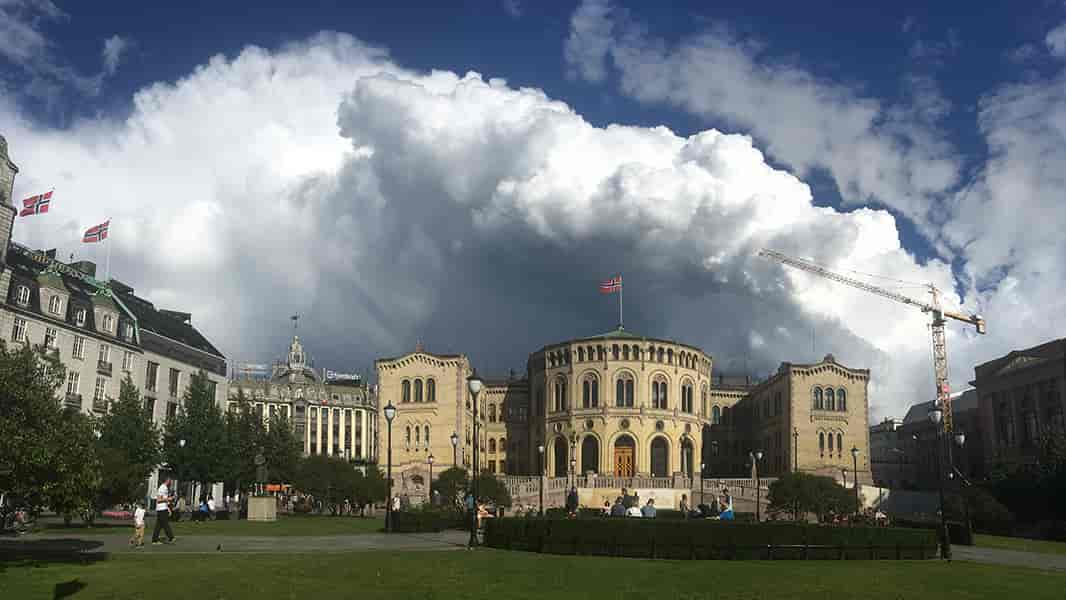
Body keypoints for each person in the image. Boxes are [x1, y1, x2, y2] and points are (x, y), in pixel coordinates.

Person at [151, 478, 176, 545]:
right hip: (161, 509)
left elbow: (163, 500)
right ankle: (171, 537)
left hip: (162, 508)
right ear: (167, 480)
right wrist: (169, 499)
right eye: (170, 480)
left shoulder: (165, 488)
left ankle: (154, 540)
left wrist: (168, 508)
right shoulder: (162, 488)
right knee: (165, 524)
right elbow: (159, 500)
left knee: (159, 525)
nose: (171, 481)